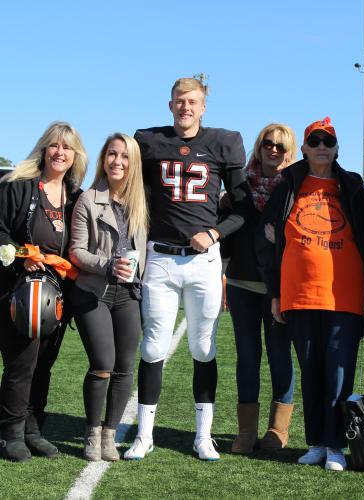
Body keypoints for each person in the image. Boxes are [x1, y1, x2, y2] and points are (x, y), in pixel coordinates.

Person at [124, 77, 249, 461]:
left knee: (203, 346)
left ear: (204, 105)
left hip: (203, 262)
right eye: (179, 101)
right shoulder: (148, 141)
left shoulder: (223, 142)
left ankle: (203, 435)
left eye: (192, 101)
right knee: (153, 345)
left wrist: (213, 232)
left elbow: (243, 208)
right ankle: (144, 435)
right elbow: (128, 190)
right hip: (160, 257)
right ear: (170, 105)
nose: (186, 107)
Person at [256, 117, 364, 471]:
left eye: (328, 141)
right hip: (299, 294)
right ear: (306, 148)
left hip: (346, 295)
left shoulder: (353, 186)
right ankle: (316, 442)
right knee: (311, 371)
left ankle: (337, 445)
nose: (322, 146)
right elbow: (267, 240)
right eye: (315, 141)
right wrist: (277, 293)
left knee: (339, 374)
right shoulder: (289, 184)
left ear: (337, 148)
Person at [0, 122, 87, 461]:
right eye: (54, 146)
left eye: (66, 147)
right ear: (44, 149)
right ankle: (10, 433)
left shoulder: (76, 197)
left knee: (44, 364)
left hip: (58, 295)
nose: (59, 152)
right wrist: (20, 256)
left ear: (75, 155)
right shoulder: (18, 187)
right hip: (20, 292)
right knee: (22, 363)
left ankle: (33, 427)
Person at [69, 133, 148, 461]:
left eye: (125, 156)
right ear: (104, 159)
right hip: (94, 292)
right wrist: (108, 265)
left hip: (129, 294)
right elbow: (76, 251)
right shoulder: (88, 199)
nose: (118, 161)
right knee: (103, 363)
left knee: (125, 367)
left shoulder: (141, 201)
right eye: (112, 155)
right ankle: (91, 432)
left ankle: (109, 433)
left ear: (133, 163)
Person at [221, 124, 297, 454]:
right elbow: (226, 235)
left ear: (290, 151)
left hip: (279, 288)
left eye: (281, 145)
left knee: (280, 357)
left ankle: (278, 429)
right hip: (240, 283)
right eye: (268, 143)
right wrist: (221, 274)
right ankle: (246, 431)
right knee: (247, 359)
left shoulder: (297, 188)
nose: (274, 149)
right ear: (259, 146)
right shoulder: (239, 187)